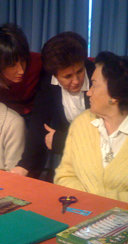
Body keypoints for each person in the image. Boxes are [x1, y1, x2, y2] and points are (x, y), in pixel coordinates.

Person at [54, 51, 128, 211]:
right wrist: (89, 202)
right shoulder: (81, 123)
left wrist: (98, 200)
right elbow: (64, 176)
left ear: (115, 95)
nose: (88, 92)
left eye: (94, 84)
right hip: (78, 216)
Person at [11, 32, 95, 178]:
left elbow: (104, 134)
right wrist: (24, 165)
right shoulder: (48, 83)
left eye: (80, 71)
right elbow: (38, 125)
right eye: (67, 76)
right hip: (73, 160)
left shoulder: (99, 78)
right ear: (55, 75)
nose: (76, 81)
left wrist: (62, 141)